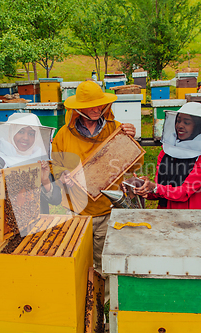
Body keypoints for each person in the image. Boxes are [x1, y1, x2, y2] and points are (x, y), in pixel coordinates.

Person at [51, 80, 143, 271]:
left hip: (106, 209)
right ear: (79, 108)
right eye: (90, 105)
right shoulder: (63, 135)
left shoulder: (117, 128)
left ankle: (106, 299)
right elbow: (56, 166)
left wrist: (130, 139)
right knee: (78, 264)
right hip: (75, 211)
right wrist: (62, 176)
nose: (96, 108)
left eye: (99, 103)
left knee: (105, 263)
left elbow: (135, 165)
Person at [134, 102, 201, 220]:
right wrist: (144, 188)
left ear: (199, 126)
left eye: (187, 122)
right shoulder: (166, 151)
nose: (180, 125)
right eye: (178, 121)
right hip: (164, 214)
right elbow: (160, 187)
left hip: (191, 216)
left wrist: (155, 187)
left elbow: (184, 192)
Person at [0, 113, 62, 213]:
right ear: (11, 132)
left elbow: (56, 199)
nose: (26, 137)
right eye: (20, 132)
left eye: (31, 133)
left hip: (38, 221)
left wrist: (45, 180)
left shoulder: (40, 161)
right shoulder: (0, 158)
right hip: (7, 220)